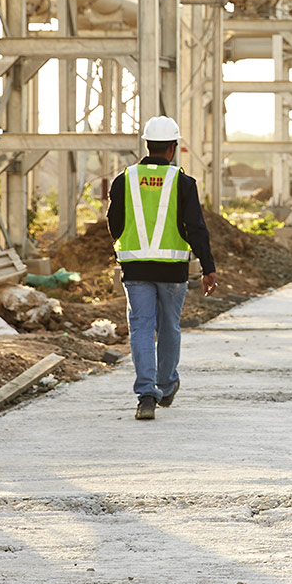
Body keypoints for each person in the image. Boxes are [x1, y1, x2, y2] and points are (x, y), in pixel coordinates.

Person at [106, 115, 217, 420]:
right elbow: (196, 228)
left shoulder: (124, 179)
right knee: (168, 326)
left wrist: (127, 246)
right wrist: (208, 268)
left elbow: (114, 223)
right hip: (172, 270)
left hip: (136, 268)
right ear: (172, 148)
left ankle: (146, 396)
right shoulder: (183, 182)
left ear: (148, 144)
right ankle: (166, 385)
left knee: (141, 328)